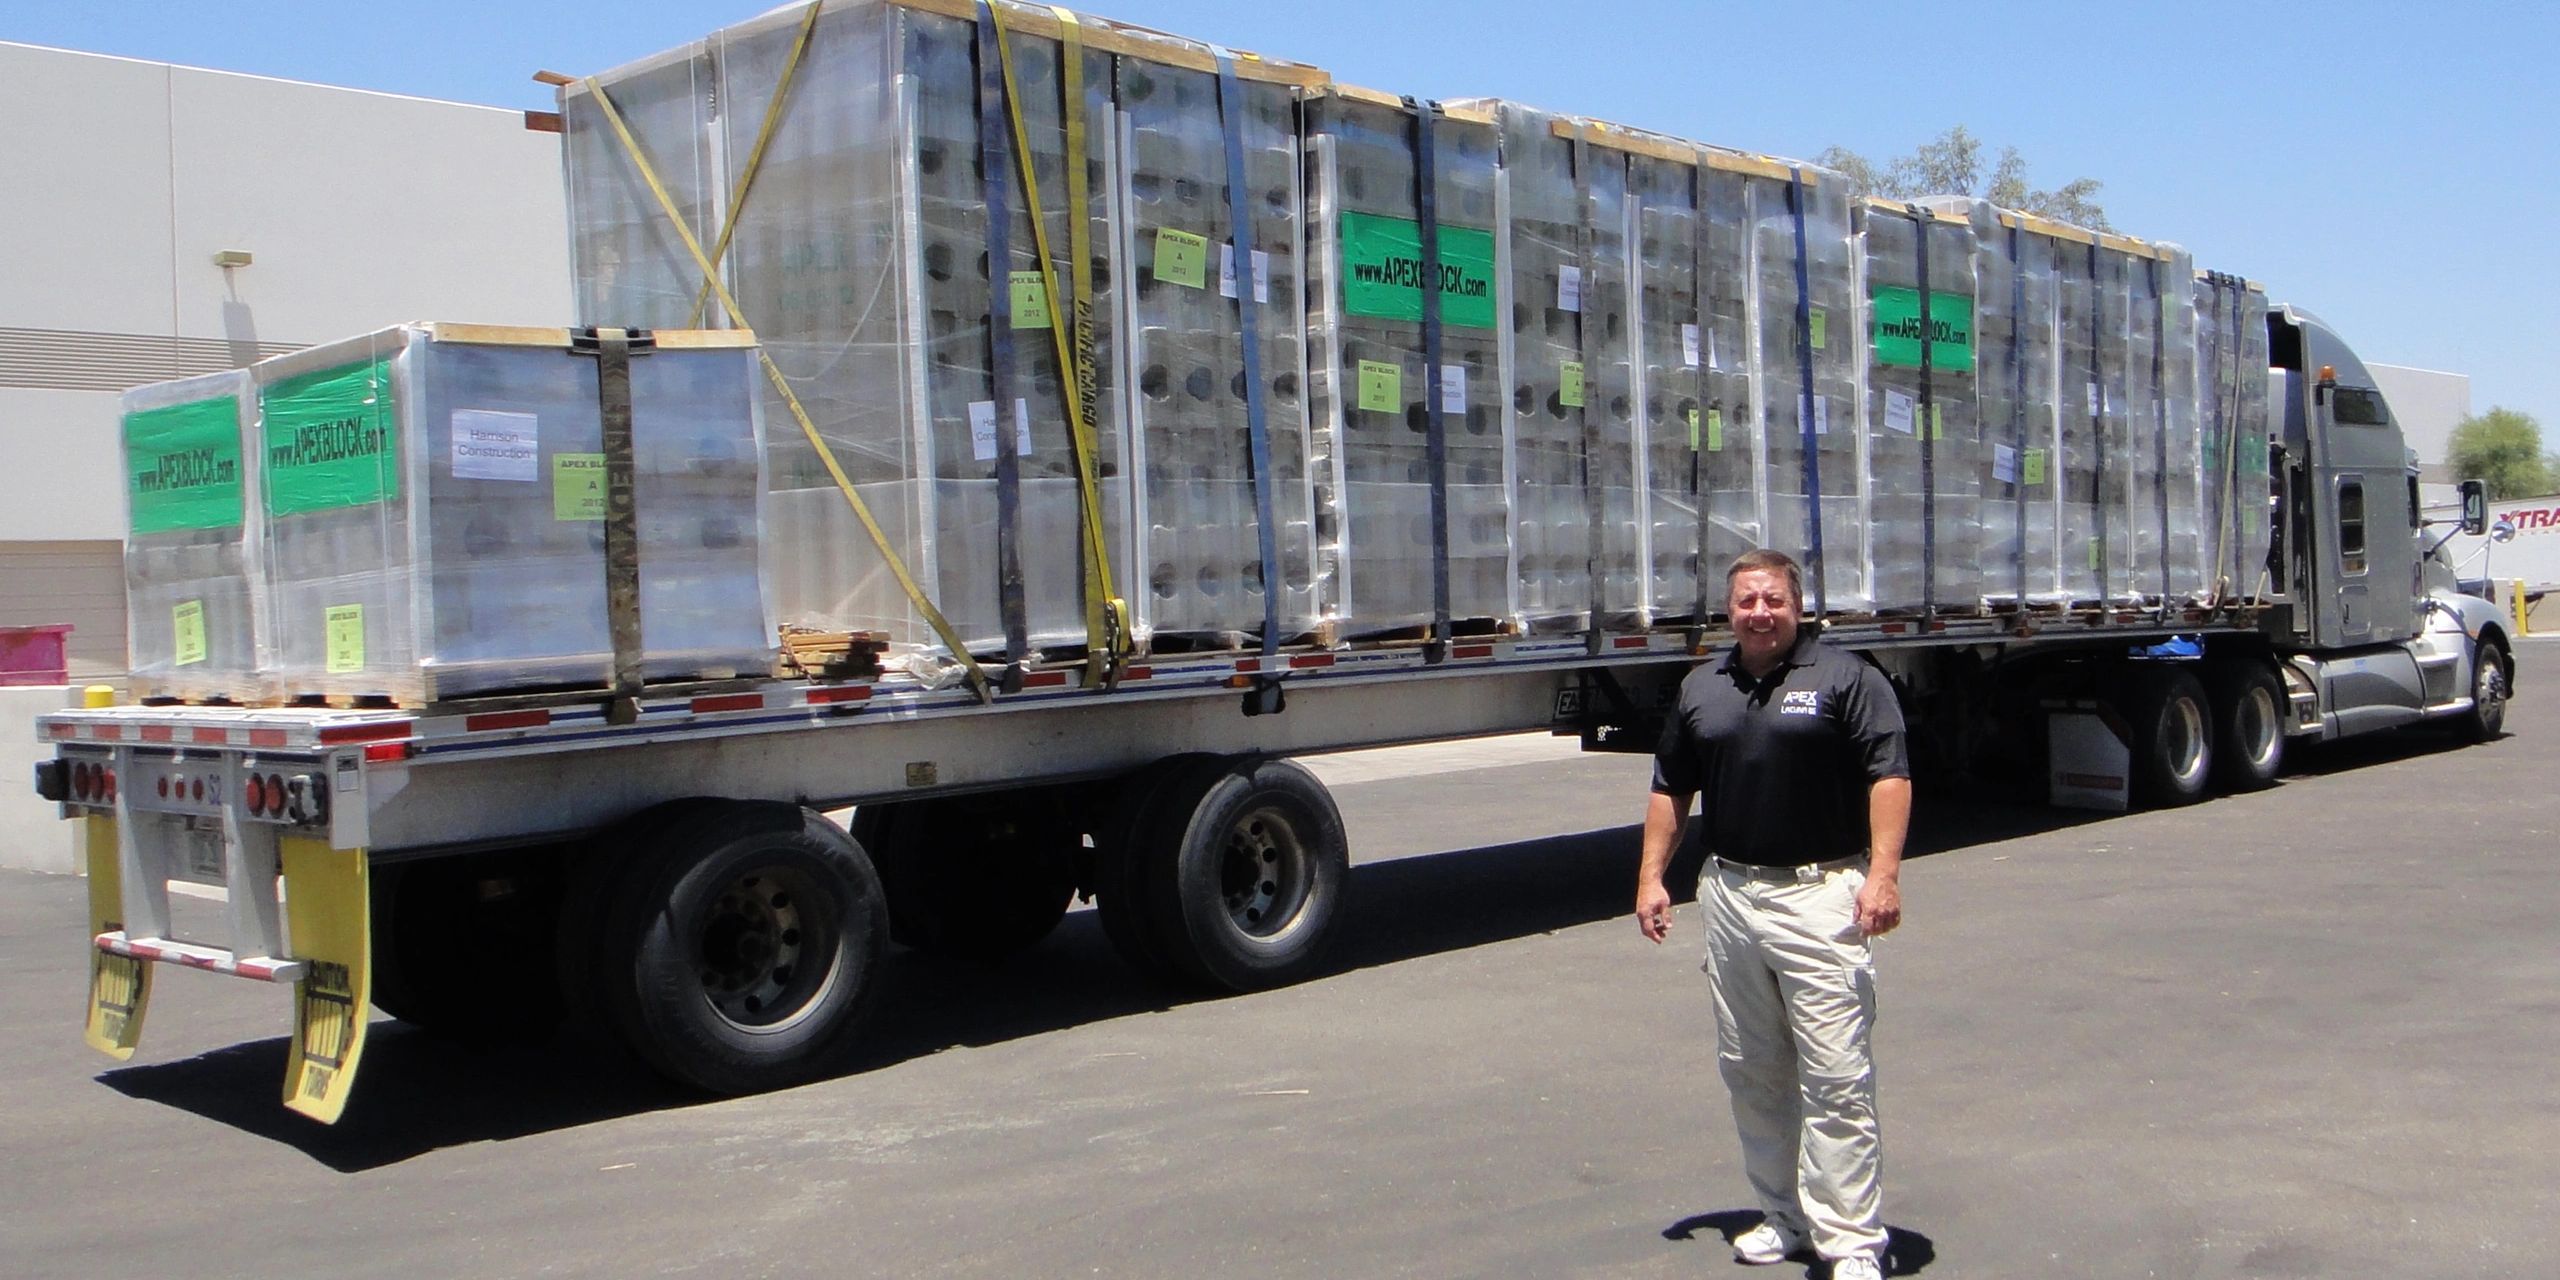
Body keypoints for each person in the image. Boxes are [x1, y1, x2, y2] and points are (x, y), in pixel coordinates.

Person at [1636, 548, 1911, 1280]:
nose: (1760, 613)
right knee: (1752, 1069)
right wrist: (1651, 877)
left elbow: (1890, 776)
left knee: (1835, 1075)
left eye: (1773, 600)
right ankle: (1784, 1216)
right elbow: (1671, 788)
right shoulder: (1704, 686)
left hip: (1821, 896)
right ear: (1729, 610)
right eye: (1746, 601)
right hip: (1730, 894)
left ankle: (1851, 1240)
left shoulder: (1848, 679)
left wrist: (1882, 876)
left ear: (1798, 604)